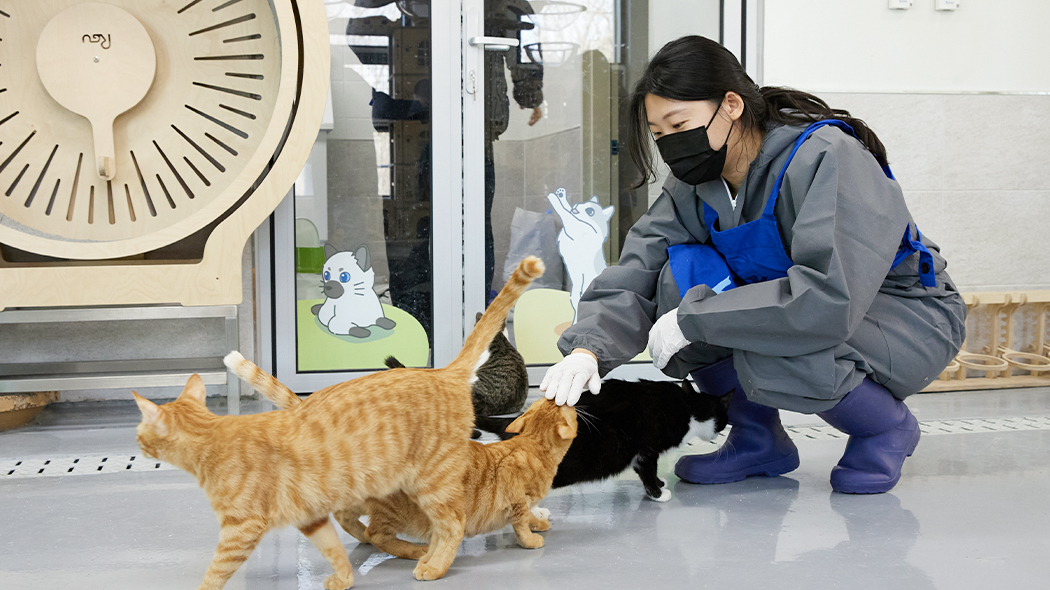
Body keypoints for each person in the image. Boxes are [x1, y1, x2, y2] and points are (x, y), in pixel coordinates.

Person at [539, 36, 966, 495]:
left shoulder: (826, 156)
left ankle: (884, 426)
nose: (670, 143)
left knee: (763, 330)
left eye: (679, 124)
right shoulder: (696, 184)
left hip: (903, 316)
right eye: (658, 133)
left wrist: (694, 319)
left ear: (731, 105)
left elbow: (827, 299)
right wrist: (588, 349)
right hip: (805, 310)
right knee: (679, 278)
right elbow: (641, 265)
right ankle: (757, 439)